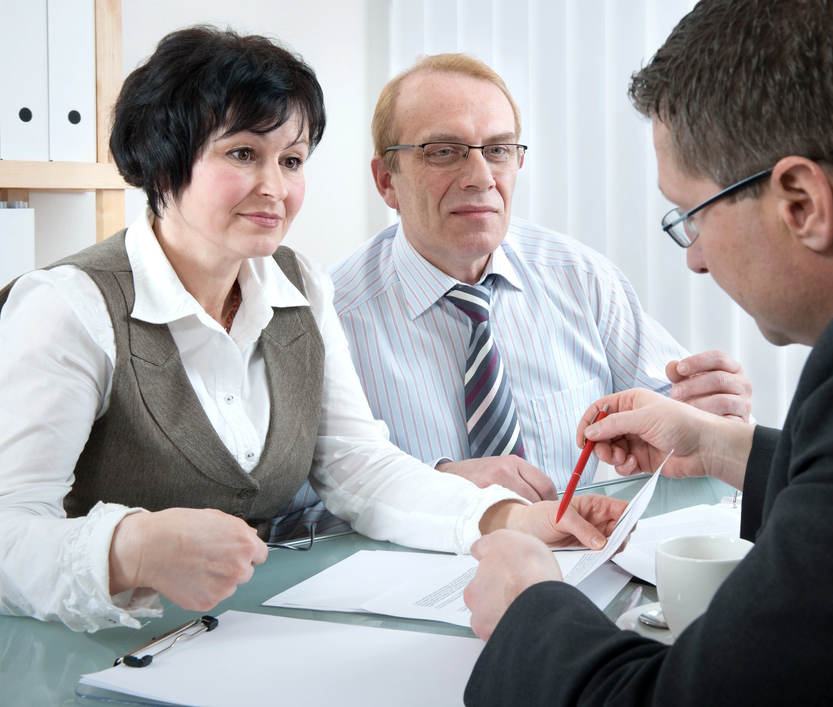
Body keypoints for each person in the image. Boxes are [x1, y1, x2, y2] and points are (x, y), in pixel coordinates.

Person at [0, 27, 626, 633]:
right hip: (86, 655)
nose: (275, 188)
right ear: (162, 164)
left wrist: (510, 518)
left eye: (292, 160)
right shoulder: (67, 306)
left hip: (245, 639)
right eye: (243, 153)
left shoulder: (299, 286)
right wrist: (126, 548)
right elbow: (8, 530)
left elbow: (357, 465)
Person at [462, 0, 833, 703]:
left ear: (801, 202)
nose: (695, 262)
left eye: (691, 216)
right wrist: (727, 449)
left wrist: (527, 605)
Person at [328, 53, 753, 504]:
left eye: (498, 151)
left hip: (579, 561)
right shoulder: (327, 319)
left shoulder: (581, 279)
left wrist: (715, 412)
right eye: (444, 152)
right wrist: (435, 490)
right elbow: (292, 516)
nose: (481, 178)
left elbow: (680, 419)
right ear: (386, 181)